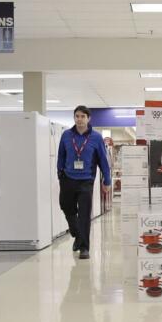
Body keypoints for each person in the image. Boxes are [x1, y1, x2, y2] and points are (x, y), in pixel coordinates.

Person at [57, 105, 111, 259]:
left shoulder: (96, 137)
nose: (79, 119)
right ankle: (77, 234)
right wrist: (60, 173)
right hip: (67, 179)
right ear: (74, 118)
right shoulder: (66, 135)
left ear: (88, 119)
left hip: (86, 180)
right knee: (66, 207)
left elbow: (102, 160)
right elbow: (61, 156)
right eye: (77, 116)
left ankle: (84, 248)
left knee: (84, 215)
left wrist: (107, 180)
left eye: (82, 116)